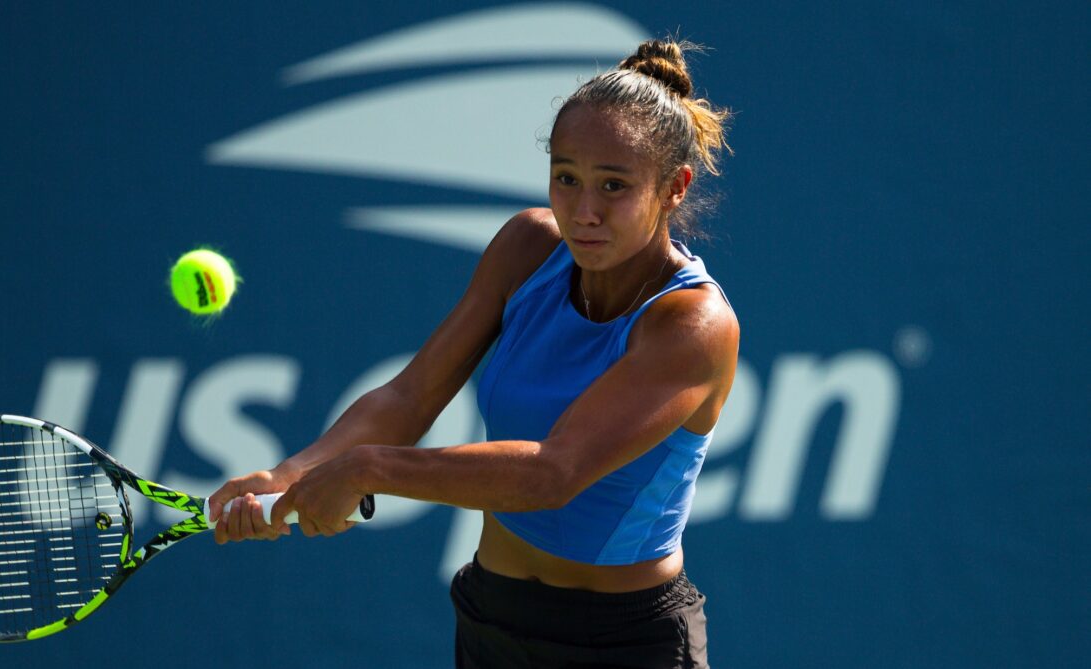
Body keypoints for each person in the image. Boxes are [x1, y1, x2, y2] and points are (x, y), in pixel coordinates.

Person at [208, 38, 738, 669]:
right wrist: (294, 472)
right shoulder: (527, 247)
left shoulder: (694, 324)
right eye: (566, 178)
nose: (584, 211)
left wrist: (368, 469)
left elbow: (552, 474)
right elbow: (410, 394)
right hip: (494, 622)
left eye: (614, 186)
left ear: (674, 188)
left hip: (625, 646)